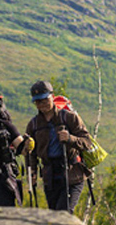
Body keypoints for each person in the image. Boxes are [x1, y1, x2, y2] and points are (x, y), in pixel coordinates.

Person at [25, 81, 91, 212]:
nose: (42, 104)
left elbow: (87, 142)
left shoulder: (70, 117)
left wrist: (70, 139)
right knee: (54, 215)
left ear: (52, 96)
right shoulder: (34, 125)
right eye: (38, 102)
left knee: (63, 213)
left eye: (45, 100)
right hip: (50, 177)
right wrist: (32, 172)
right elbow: (31, 152)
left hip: (72, 175)